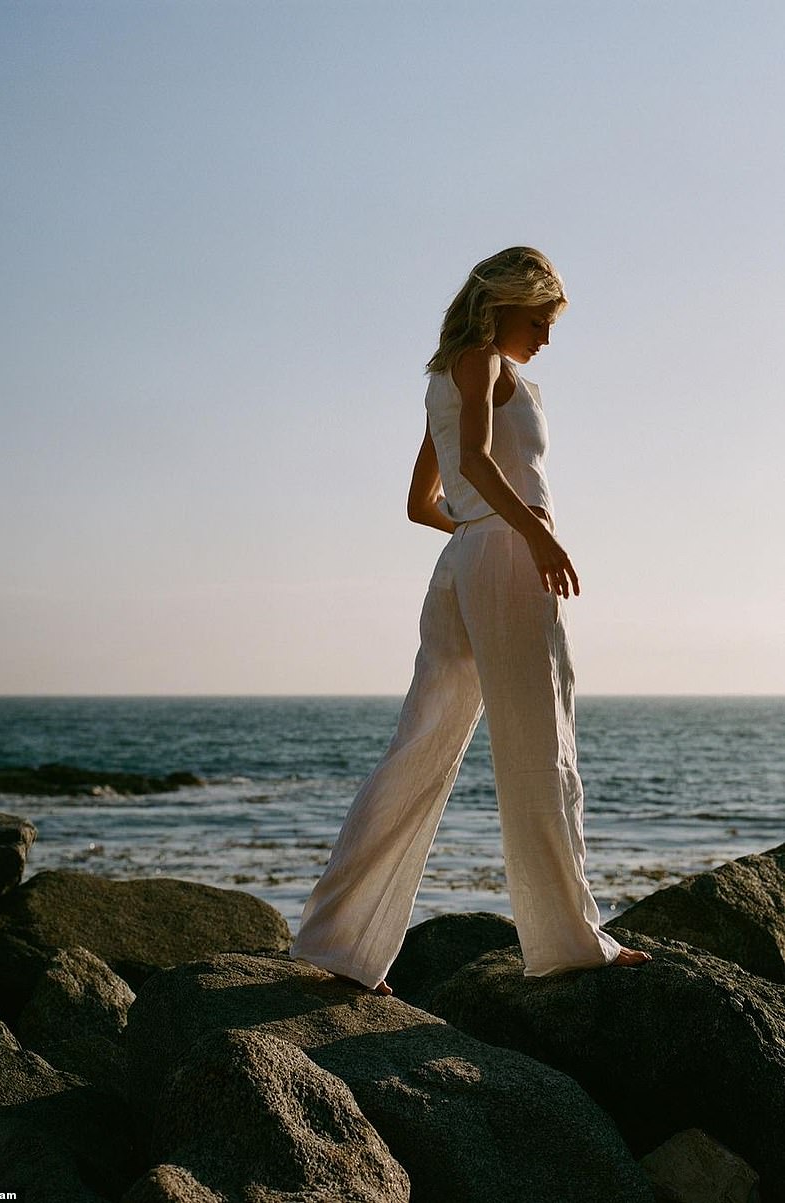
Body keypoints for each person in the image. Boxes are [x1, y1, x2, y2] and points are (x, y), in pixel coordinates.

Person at [290, 246, 651, 994]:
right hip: (506, 564)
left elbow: (423, 502)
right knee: (539, 746)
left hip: (464, 563)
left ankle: (339, 946)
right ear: (504, 304)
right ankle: (570, 941)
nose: (546, 338)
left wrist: (476, 534)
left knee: (420, 748)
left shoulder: (444, 376)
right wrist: (531, 533)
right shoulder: (484, 361)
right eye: (540, 319)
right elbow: (481, 461)